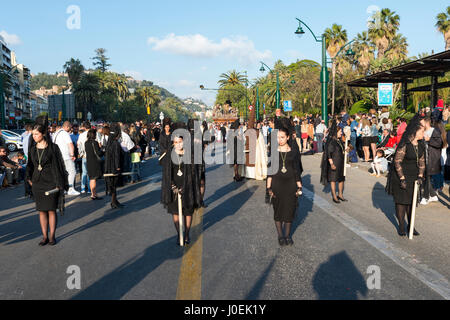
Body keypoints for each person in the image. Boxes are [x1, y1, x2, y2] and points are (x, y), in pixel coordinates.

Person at [26, 123, 68, 246]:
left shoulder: (53, 148)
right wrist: (30, 181)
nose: (34, 136)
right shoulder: (32, 149)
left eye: (36, 134)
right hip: (37, 184)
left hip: (51, 183)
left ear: (43, 134)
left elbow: (59, 166)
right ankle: (44, 236)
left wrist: (59, 183)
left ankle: (52, 236)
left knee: (51, 210)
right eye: (32, 134)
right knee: (41, 211)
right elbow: (29, 166)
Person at [386, 114, 425, 237]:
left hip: (414, 176)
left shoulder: (421, 145)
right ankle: (402, 225)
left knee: (411, 202)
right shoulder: (405, 144)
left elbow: (422, 162)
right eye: (422, 131)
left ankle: (411, 225)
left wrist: (420, 175)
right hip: (401, 175)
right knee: (401, 202)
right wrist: (402, 178)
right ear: (416, 132)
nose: (424, 133)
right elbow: (397, 161)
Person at [266, 127, 303, 247]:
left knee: (289, 211)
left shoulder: (293, 152)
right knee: (278, 211)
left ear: (287, 137)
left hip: (290, 185)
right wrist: (268, 188)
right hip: (277, 185)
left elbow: (296, 171)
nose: (279, 140)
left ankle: (287, 235)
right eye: (278, 137)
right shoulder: (274, 152)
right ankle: (280, 236)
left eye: (282, 137)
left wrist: (299, 186)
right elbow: (270, 172)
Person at [161, 128, 198, 246]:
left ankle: (186, 234)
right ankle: (179, 234)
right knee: (175, 212)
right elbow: (166, 172)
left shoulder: (190, 154)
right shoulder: (169, 154)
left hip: (187, 186)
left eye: (180, 141)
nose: (178, 144)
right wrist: (172, 186)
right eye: (175, 142)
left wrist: (185, 186)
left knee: (188, 212)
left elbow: (193, 172)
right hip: (173, 188)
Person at [320, 121, 348, 203]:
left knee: (341, 179)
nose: (341, 133)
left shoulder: (339, 140)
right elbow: (328, 153)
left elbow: (342, 150)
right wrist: (331, 163)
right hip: (334, 163)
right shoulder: (332, 141)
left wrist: (346, 149)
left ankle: (340, 195)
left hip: (341, 162)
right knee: (333, 179)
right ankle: (334, 196)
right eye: (340, 131)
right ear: (336, 132)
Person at [420, 117, 443, 204]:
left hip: (432, 158)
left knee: (427, 177)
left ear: (427, 123)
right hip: (424, 158)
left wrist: (429, 140)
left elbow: (439, 143)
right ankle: (433, 195)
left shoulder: (434, 131)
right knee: (425, 177)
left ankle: (426, 197)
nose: (421, 125)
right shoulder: (422, 131)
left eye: (422, 123)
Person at [53, 121, 79, 196]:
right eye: (70, 128)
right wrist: (72, 155)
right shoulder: (65, 133)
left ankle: (64, 189)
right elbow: (70, 144)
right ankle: (70, 189)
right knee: (72, 172)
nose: (70, 130)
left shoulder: (56, 133)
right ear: (67, 127)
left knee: (62, 173)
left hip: (58, 157)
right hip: (66, 156)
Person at [104, 123, 125, 209]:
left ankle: (115, 201)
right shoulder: (115, 143)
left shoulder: (109, 141)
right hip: (114, 167)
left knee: (113, 185)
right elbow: (117, 156)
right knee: (114, 184)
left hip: (109, 166)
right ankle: (113, 202)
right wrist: (117, 167)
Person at [85, 129, 104, 200]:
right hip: (95, 162)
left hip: (89, 162)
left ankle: (93, 194)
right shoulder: (95, 142)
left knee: (91, 178)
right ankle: (94, 194)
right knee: (94, 179)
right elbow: (98, 153)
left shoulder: (86, 143)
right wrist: (102, 150)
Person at [77, 122, 91, 194]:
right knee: (90, 173)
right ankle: (89, 188)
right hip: (91, 156)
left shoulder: (81, 135)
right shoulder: (93, 134)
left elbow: (78, 144)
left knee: (84, 172)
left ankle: (82, 188)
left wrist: (81, 153)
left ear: (84, 127)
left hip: (84, 155)